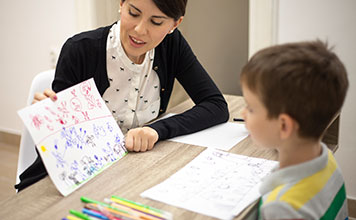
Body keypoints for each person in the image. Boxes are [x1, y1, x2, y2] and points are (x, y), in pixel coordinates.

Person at [15, 0, 229, 191]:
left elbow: (216, 105)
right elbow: (61, 152)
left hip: (135, 171)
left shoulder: (171, 45)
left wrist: (155, 131)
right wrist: (51, 121)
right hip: (78, 180)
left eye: (156, 22)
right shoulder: (79, 50)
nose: (139, 30)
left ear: (175, 24)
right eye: (133, 13)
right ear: (121, 4)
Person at [240, 40, 349, 219]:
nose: (243, 113)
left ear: (284, 126)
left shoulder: (282, 208)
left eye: (251, 108)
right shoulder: (327, 159)